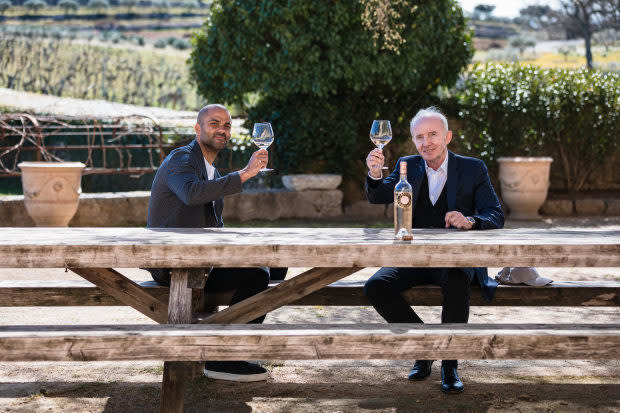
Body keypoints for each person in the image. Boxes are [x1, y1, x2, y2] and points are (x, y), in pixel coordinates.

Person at [364, 106, 504, 394]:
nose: (426, 142)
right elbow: (378, 196)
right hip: (413, 257)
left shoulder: (472, 168)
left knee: (455, 279)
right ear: (413, 141)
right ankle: (424, 347)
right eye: (419, 137)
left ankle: (450, 365)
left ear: (448, 137)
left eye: (432, 135)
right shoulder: (407, 165)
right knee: (375, 286)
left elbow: (495, 214)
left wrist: (471, 221)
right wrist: (375, 172)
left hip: (455, 259)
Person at [146, 104, 287, 382]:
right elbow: (190, 193)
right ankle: (223, 358)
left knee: (277, 265)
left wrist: (238, 247)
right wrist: (244, 174)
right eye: (214, 124)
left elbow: (211, 222)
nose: (222, 129)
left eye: (227, 125)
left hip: (199, 258)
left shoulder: (209, 167)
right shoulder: (182, 159)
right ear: (198, 129)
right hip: (174, 265)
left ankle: (229, 347)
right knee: (257, 274)